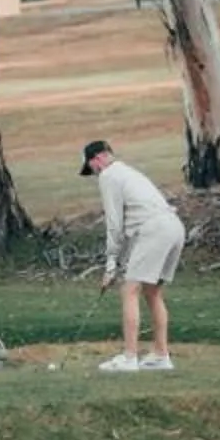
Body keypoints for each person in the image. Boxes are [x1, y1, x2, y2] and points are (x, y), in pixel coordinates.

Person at [80, 136, 186, 371]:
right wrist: (119, 263)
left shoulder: (108, 176)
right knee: (152, 291)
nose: (95, 173)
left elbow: (115, 224)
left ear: (98, 159)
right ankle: (160, 354)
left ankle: (129, 358)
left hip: (155, 229)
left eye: (92, 168)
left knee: (129, 290)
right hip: (174, 227)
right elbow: (131, 229)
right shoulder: (128, 173)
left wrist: (110, 266)